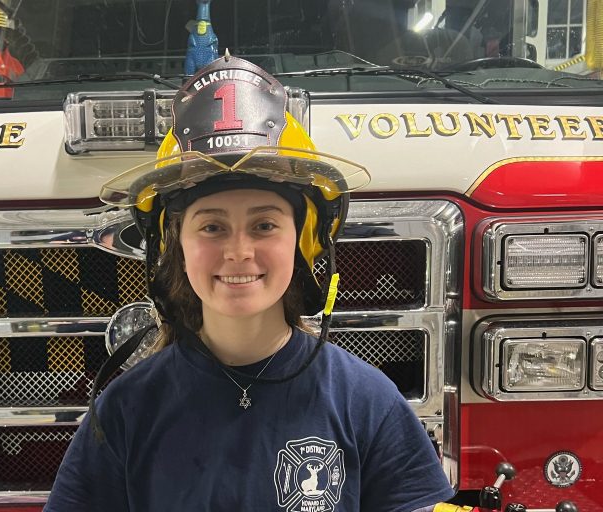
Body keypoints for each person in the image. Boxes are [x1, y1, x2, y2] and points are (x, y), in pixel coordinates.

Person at [45, 54, 455, 511]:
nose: (239, 251)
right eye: (212, 227)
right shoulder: (126, 411)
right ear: (176, 246)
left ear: (301, 241)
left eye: (264, 225)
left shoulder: (366, 402)